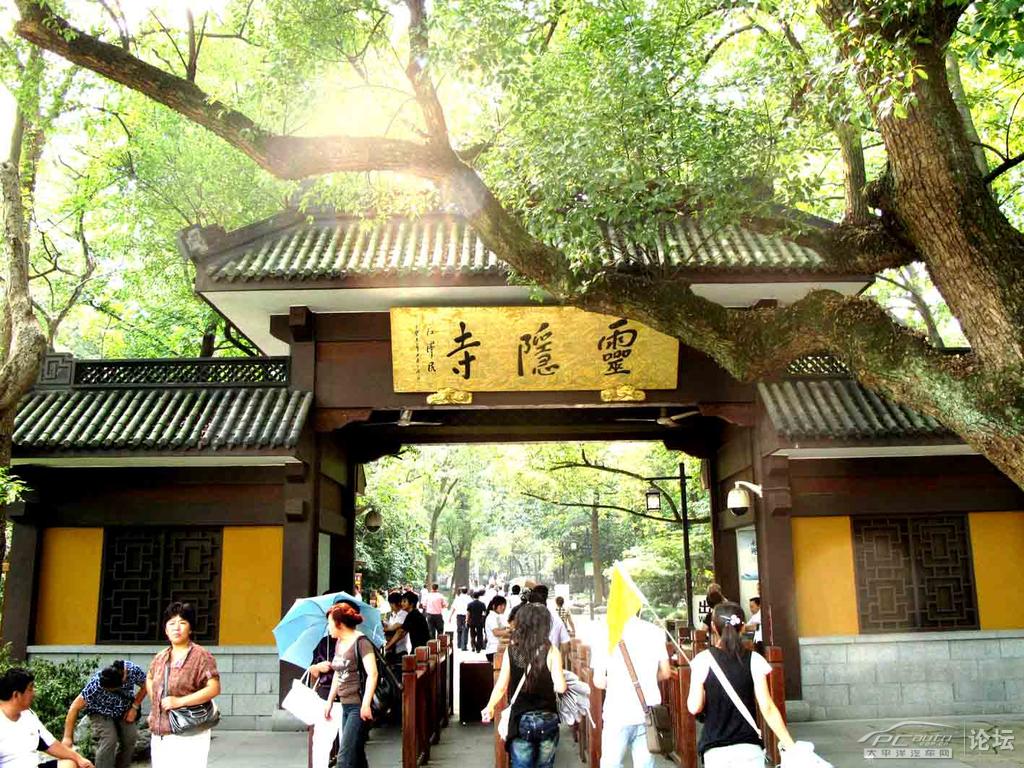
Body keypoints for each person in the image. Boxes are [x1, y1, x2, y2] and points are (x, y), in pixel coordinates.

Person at [687, 602, 796, 768]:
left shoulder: (702, 660)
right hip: (749, 747)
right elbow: (767, 707)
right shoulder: (754, 660)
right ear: (743, 627)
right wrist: (790, 744)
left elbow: (694, 707)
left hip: (715, 750)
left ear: (713, 627)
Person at [482, 603, 567, 768]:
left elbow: (501, 686)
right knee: (545, 765)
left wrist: (490, 706)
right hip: (547, 717)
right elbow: (560, 687)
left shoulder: (512, 651)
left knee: (521, 765)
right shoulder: (551, 651)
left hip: (521, 718)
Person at [146, 601, 221, 768]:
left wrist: (179, 701)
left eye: (182, 623)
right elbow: (149, 677)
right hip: (160, 732)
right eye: (171, 623)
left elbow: (214, 688)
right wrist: (155, 699)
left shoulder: (201, 656)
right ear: (166, 630)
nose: (176, 628)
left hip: (189, 731)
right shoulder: (160, 657)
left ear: (190, 628)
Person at [592, 613, 672, 768]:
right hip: (647, 712)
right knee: (645, 765)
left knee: (611, 764)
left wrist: (618, 683)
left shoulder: (604, 633)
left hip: (617, 713)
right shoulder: (655, 631)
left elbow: (599, 681)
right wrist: (646, 680)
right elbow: (666, 672)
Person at [322, 600, 379, 768]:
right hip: (345, 705)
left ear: (340, 624)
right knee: (356, 754)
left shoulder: (361, 642)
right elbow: (338, 673)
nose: (328, 628)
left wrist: (366, 704)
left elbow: (373, 674)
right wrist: (329, 700)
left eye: (330, 623)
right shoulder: (339, 643)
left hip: (358, 706)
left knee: (344, 758)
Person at [0, 667, 94, 768]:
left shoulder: (28, 715)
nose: (34, 694)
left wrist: (79, 758)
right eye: (30, 689)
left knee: (69, 764)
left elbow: (51, 744)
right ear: (16, 695)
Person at [62, 659, 147, 768]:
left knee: (130, 737)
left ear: (122, 682)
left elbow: (147, 684)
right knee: (109, 739)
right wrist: (67, 737)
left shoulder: (133, 671)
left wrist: (134, 707)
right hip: (99, 710)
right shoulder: (95, 685)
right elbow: (74, 707)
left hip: (123, 709)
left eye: (110, 690)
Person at [384, 591, 429, 655]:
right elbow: (402, 632)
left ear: (411, 604)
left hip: (421, 649)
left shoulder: (412, 615)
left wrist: (387, 646)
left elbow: (400, 632)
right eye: (402, 601)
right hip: (420, 648)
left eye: (404, 601)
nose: (402, 603)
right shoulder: (413, 614)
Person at [484, 596, 510, 664]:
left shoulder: (496, 617)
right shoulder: (492, 617)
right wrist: (510, 631)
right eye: (500, 606)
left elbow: (503, 629)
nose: (503, 608)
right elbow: (496, 633)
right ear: (494, 606)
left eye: (504, 605)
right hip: (494, 651)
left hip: (498, 649)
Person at [449, 587, 471, 651]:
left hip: (458, 616)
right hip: (466, 616)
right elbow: (471, 608)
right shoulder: (469, 598)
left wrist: (450, 617)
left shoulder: (457, 598)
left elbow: (454, 608)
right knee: (465, 630)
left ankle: (459, 644)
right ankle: (463, 646)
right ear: (467, 591)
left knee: (459, 630)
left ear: (461, 591)